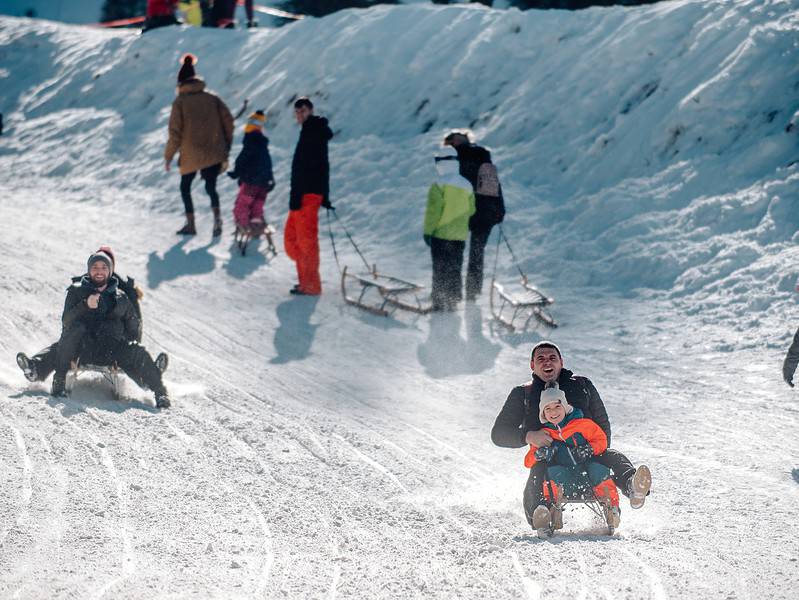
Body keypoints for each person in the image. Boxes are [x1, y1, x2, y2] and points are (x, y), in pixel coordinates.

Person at [491, 341, 651, 528]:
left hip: (588, 450)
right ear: (532, 365)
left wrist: (591, 448)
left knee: (613, 456)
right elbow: (499, 434)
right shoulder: (523, 394)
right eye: (540, 358)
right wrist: (528, 436)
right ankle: (539, 513)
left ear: (561, 362)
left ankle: (633, 486)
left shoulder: (581, 385)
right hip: (550, 458)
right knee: (537, 471)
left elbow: (602, 426)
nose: (547, 362)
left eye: (552, 358)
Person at [19, 251, 170, 408]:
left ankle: (159, 391)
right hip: (82, 348)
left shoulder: (121, 298)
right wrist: (85, 305)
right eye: (95, 267)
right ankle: (43, 373)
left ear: (110, 271)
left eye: (104, 267)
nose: (99, 271)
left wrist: (130, 350)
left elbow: (133, 328)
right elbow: (66, 321)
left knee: (136, 351)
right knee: (68, 337)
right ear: (89, 270)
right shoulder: (76, 291)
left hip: (112, 351)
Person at [525, 385, 620, 534]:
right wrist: (538, 455)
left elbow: (602, 441)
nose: (553, 412)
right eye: (547, 409)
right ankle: (546, 515)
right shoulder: (544, 434)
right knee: (550, 473)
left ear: (565, 407)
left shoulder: (583, 425)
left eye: (557, 406)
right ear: (543, 414)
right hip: (563, 480)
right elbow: (528, 462)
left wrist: (589, 449)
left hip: (587, 476)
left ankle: (612, 510)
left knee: (598, 469)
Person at [164, 54, 234, 237]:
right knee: (211, 187)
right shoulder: (212, 98)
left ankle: (191, 224)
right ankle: (217, 221)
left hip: (191, 154)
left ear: (180, 82)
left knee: (185, 188)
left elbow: (175, 132)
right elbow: (229, 121)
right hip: (213, 151)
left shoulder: (180, 102)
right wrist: (226, 144)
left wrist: (168, 156)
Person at [443, 131, 505, 301]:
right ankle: (464, 292)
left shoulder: (474, 156)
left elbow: (491, 185)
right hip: (476, 212)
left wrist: (498, 209)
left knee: (464, 251)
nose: (456, 139)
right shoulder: (475, 156)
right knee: (470, 252)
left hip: (478, 211)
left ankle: (459, 292)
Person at [285, 97, 333, 296]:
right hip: (303, 194)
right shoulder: (309, 131)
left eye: (303, 110)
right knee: (292, 239)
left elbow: (318, 167)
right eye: (297, 112)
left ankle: (311, 284)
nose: (299, 114)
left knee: (306, 242)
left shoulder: (314, 131)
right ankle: (305, 281)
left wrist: (319, 194)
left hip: (307, 194)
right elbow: (320, 166)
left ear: (311, 110)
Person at [423, 152, 476, 311]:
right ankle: (453, 299)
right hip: (459, 236)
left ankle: (439, 302)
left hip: (441, 235)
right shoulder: (467, 184)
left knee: (440, 267)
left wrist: (428, 232)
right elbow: (472, 210)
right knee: (455, 267)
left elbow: (434, 212)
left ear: (440, 164)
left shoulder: (438, 184)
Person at [228, 110, 275, 236]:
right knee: (257, 205)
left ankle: (243, 226)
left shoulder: (251, 140)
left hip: (250, 182)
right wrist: (270, 178)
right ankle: (256, 226)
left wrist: (236, 172)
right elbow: (267, 162)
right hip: (263, 183)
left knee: (242, 205)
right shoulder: (262, 144)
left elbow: (243, 158)